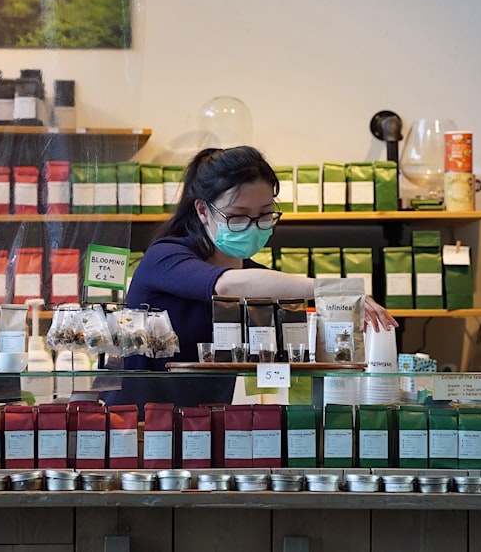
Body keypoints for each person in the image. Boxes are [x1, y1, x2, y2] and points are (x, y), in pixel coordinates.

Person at [102, 146, 398, 412]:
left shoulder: (257, 275)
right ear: (203, 210)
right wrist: (332, 289)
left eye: (265, 214)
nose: (253, 226)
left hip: (213, 424)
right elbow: (227, 285)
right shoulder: (166, 257)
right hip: (142, 426)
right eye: (238, 216)